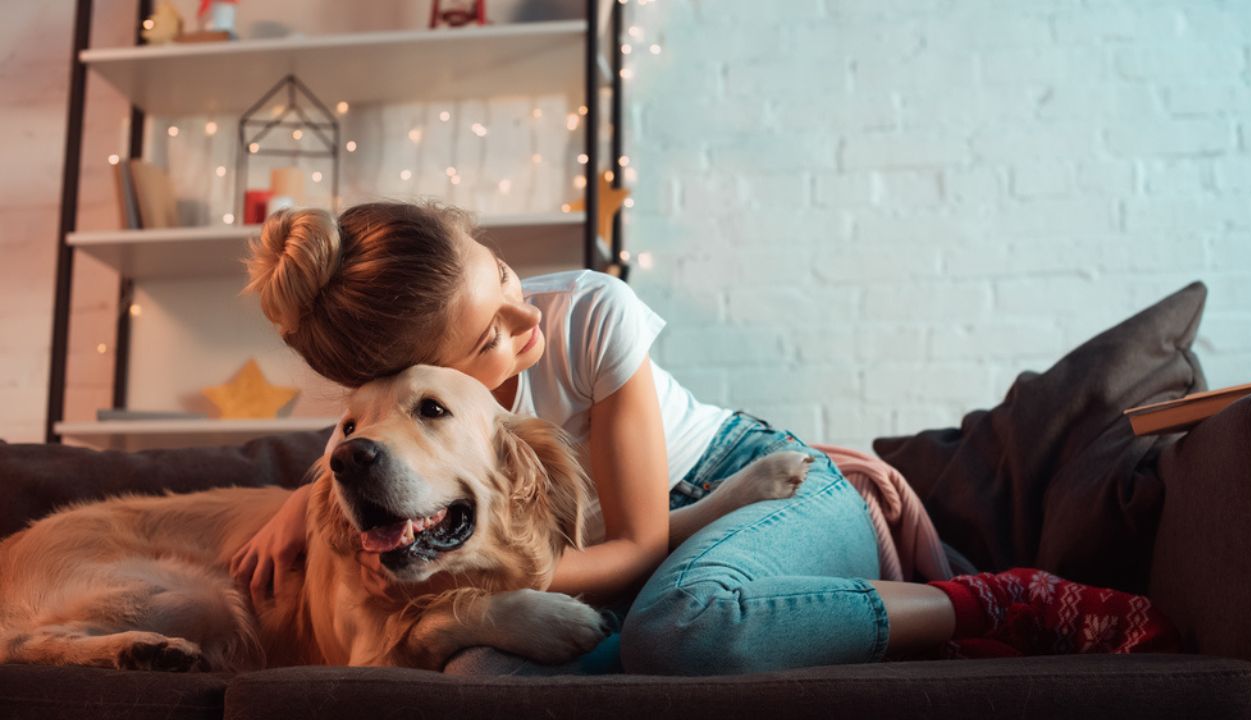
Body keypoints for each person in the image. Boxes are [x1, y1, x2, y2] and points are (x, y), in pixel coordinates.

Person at [233, 201, 1177, 675]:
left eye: (505, 272)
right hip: (647, 571)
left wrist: (477, 587)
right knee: (484, 668)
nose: (527, 316)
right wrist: (303, 500)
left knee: (682, 627)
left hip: (759, 489)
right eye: (489, 340)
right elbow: (372, 452)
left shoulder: (590, 315)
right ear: (414, 376)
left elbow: (637, 544)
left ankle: (993, 600)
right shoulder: (399, 411)